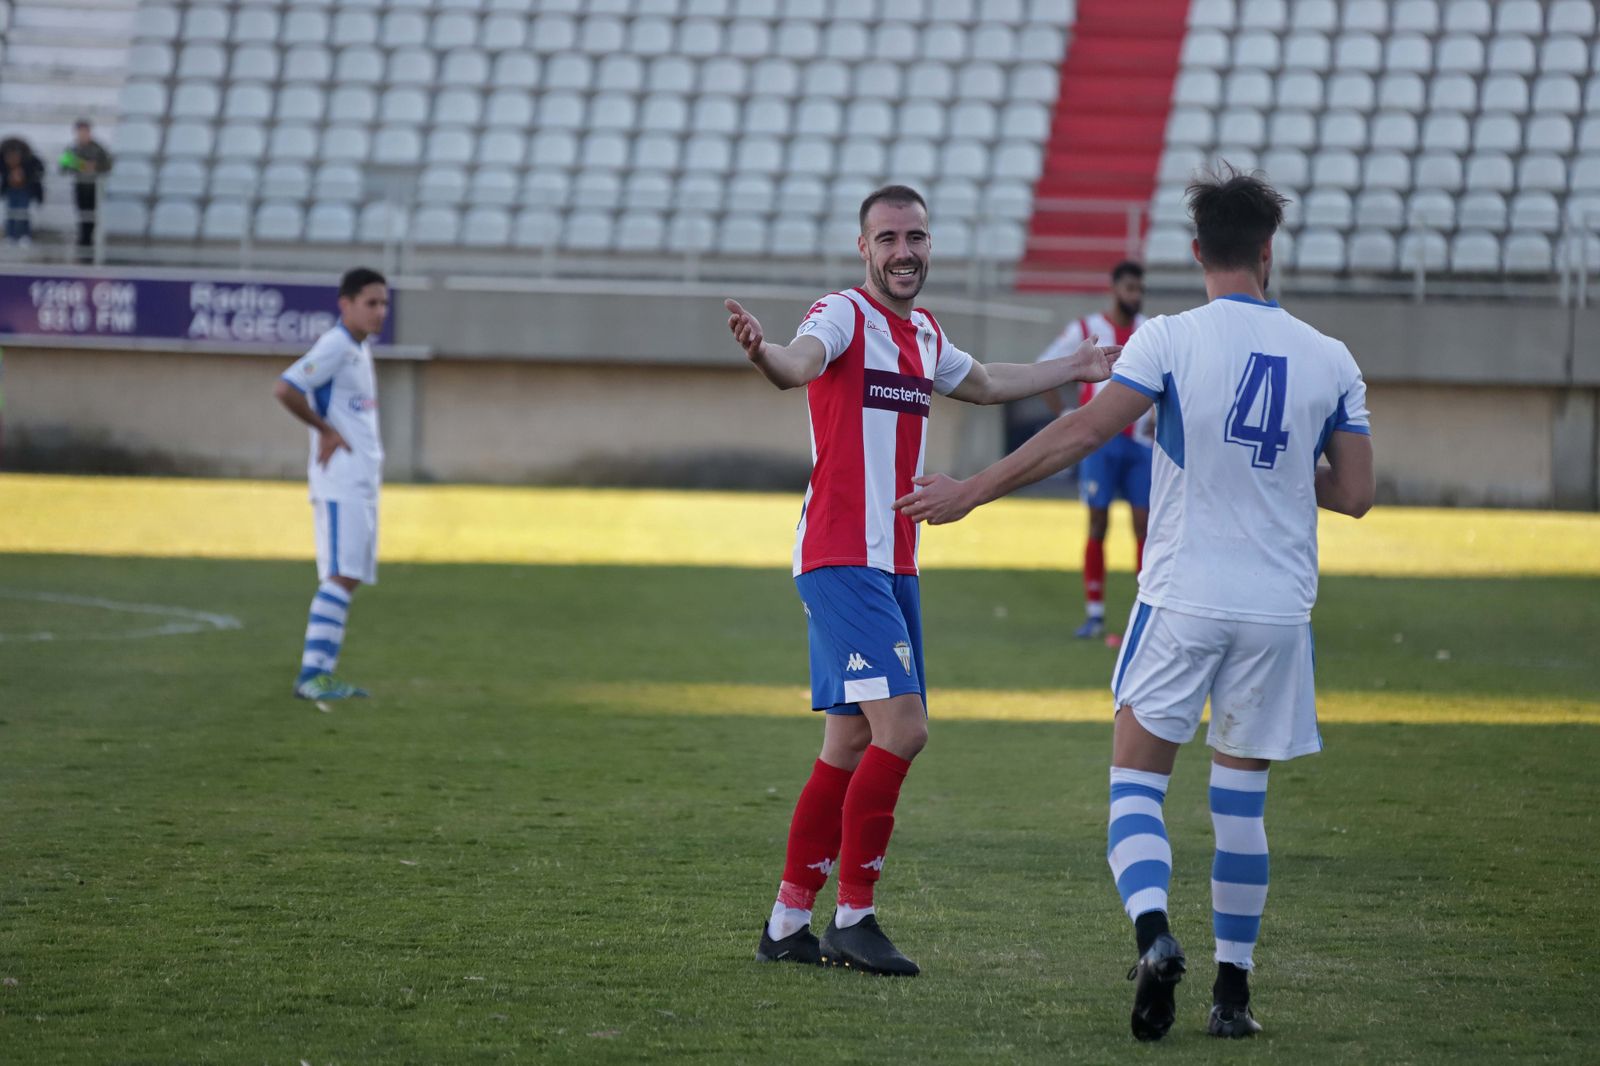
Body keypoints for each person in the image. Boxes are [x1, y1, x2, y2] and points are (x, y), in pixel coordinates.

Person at [895, 166, 1374, 1038]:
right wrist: (1267, 461)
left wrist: (971, 490)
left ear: (1198, 253)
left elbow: (1081, 430)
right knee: (1240, 806)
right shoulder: (1333, 358)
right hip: (1277, 613)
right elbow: (1354, 493)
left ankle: (1155, 937)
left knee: (1135, 786)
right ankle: (1234, 997)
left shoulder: (1168, 339)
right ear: (1270, 254)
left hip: (1185, 595)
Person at [725, 185, 1122, 976]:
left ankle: (785, 923)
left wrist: (1077, 364)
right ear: (863, 248)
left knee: (848, 740)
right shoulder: (841, 314)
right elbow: (798, 364)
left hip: (897, 561)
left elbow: (982, 381)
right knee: (904, 730)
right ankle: (855, 916)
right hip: (842, 558)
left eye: (916, 236)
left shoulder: (924, 335)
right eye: (888, 238)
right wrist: (766, 354)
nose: (904, 251)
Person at [272, 268, 390, 704]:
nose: (380, 312)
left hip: (358, 481)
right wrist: (324, 430)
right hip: (340, 480)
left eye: (384, 303)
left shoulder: (359, 349)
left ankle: (320, 673)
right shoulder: (336, 346)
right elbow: (286, 388)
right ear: (346, 304)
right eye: (371, 303)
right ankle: (313, 675)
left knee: (348, 576)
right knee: (340, 575)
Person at [1036, 261, 1152, 643]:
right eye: (1130, 288)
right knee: (1098, 524)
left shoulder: (1149, 332)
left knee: (1145, 527)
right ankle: (1095, 614)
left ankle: (1145, 615)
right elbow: (1045, 367)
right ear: (1114, 288)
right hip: (1100, 445)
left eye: (1139, 289)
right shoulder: (1086, 331)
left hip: (1140, 445)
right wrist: (1067, 413)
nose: (1135, 296)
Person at [59, 120, 113, 261]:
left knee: (92, 218)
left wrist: (94, 167)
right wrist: (77, 165)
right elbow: (63, 167)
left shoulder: (98, 149)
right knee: (82, 217)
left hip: (94, 188)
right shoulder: (72, 149)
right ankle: (83, 247)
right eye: (80, 132)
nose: (83, 135)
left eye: (85, 132)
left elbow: (107, 165)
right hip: (80, 186)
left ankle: (90, 248)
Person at [1, 139, 44, 248]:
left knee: (23, 213)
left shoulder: (30, 161)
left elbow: (39, 169)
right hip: (11, 190)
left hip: (25, 190)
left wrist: (26, 177)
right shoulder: (4, 163)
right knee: (11, 212)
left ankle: (25, 235)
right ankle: (11, 235)